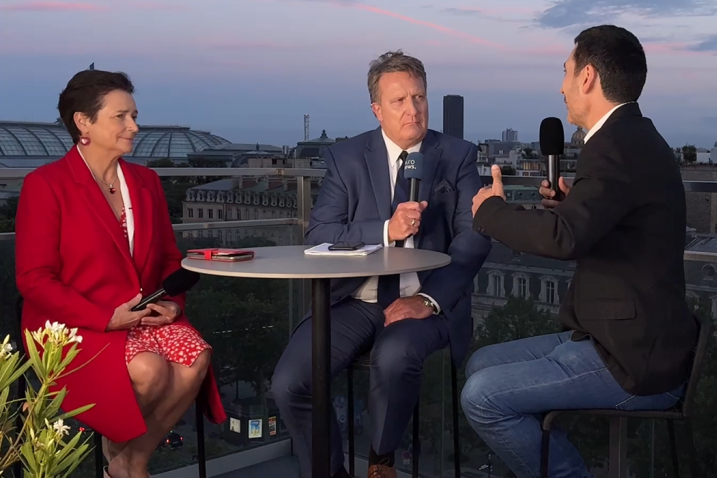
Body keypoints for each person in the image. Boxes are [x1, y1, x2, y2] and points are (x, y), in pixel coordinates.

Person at [462, 25, 699, 478]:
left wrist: (490, 212)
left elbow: (563, 239)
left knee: (482, 396)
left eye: (566, 72)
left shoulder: (614, 145)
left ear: (587, 76)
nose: (561, 85)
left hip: (631, 359)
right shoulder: (635, 137)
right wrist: (571, 206)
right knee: (480, 362)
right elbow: (611, 224)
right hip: (620, 337)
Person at [269, 50, 491, 478]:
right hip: (355, 298)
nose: (413, 109)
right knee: (289, 383)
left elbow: (473, 237)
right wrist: (385, 228)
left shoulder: (458, 155)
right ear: (377, 109)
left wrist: (428, 299)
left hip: (426, 299)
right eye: (399, 101)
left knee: (394, 357)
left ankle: (381, 460)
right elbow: (320, 236)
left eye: (419, 97)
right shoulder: (346, 158)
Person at [14, 69, 226, 478]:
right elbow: (34, 279)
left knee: (197, 357)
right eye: (121, 116)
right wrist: (104, 317)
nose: (135, 125)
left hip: (143, 316)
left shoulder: (145, 182)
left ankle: (129, 461)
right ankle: (126, 458)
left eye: (134, 115)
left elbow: (168, 260)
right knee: (150, 370)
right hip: (77, 323)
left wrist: (171, 303)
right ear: (83, 122)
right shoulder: (46, 185)